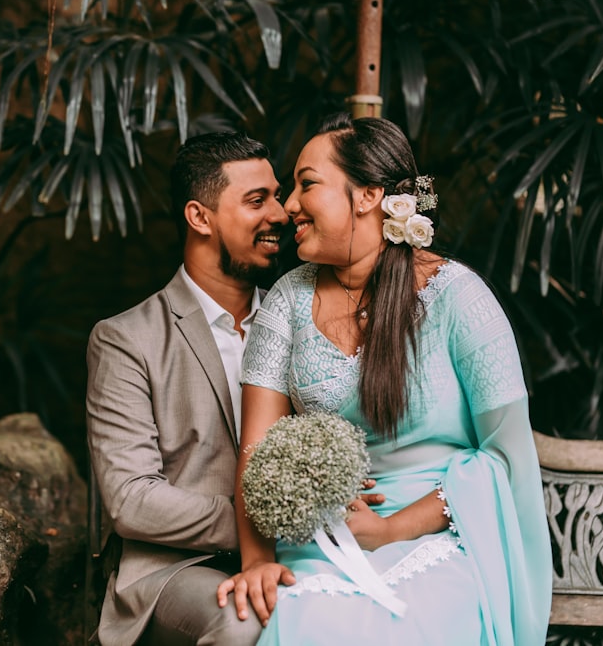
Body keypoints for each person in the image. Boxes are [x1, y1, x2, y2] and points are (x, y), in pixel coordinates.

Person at [216, 114, 553, 645]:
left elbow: (505, 458)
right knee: (307, 619)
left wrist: (393, 529)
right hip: (321, 540)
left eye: (307, 184)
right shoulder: (285, 302)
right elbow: (257, 451)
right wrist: (257, 561)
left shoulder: (459, 298)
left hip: (444, 537)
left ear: (369, 195)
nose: (290, 207)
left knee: (416, 622)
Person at [85, 130, 289, 646]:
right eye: (257, 200)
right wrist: (264, 523)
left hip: (296, 555)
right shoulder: (125, 338)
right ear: (200, 217)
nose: (281, 215)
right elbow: (132, 499)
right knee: (245, 621)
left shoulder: (301, 323)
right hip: (175, 570)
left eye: (278, 196)